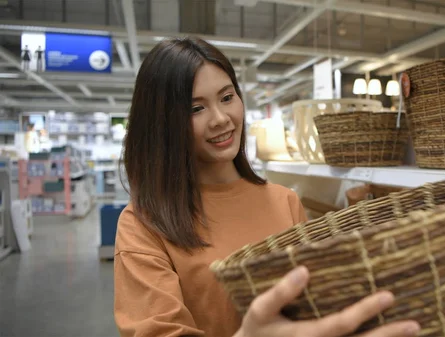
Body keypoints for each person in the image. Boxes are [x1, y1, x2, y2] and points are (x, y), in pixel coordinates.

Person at [113, 37, 421, 337]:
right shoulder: (144, 224)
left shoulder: (285, 201)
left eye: (226, 97)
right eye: (196, 109)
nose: (221, 119)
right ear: (162, 123)